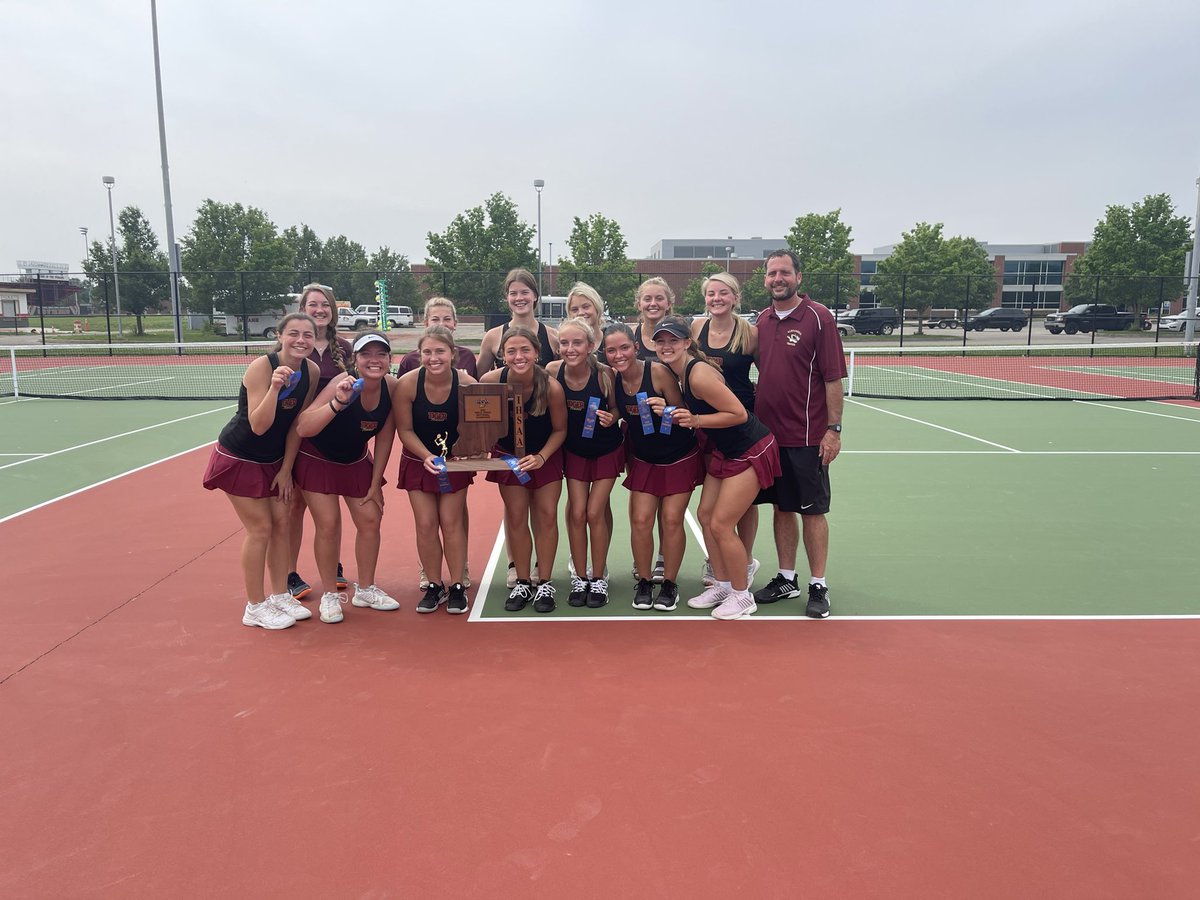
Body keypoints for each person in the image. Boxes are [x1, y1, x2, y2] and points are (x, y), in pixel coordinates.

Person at [651, 316, 780, 621]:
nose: (666, 346)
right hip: (726, 449)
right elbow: (699, 408)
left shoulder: (696, 375)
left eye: (673, 340)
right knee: (706, 516)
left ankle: (742, 595)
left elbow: (736, 413)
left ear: (686, 343)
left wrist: (695, 421)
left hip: (749, 448)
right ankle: (722, 584)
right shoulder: (680, 372)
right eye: (661, 341)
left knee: (721, 524)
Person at [202, 312, 321, 629]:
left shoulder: (311, 371)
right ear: (280, 336)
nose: (300, 340)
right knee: (260, 529)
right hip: (239, 457)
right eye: (293, 333)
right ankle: (254, 606)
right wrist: (274, 387)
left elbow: (296, 426)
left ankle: (281, 595)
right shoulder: (261, 368)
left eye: (307, 335)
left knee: (282, 524)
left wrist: (286, 469)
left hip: (274, 460)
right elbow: (258, 425)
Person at [752, 249, 847, 619]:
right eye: (772, 273)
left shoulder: (818, 318)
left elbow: (833, 379)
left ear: (798, 277)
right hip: (768, 438)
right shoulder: (761, 320)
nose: (778, 278)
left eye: (785, 272)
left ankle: (818, 583)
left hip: (808, 437)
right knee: (781, 507)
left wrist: (833, 430)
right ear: (765, 279)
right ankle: (787, 577)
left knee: (811, 511)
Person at [294, 332, 399, 624]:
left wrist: (376, 483)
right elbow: (304, 427)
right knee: (328, 525)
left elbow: (386, 438)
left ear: (390, 360)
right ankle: (329, 594)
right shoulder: (341, 383)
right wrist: (338, 402)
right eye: (366, 354)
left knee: (370, 519)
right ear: (356, 360)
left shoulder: (392, 387)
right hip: (318, 458)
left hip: (355, 460)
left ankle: (365, 589)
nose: (374, 360)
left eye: (381, 354)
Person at [603, 322, 703, 612]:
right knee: (641, 521)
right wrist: (612, 415)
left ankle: (669, 584)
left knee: (672, 520)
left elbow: (685, 411)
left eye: (624, 347)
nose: (618, 355)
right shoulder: (612, 378)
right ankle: (645, 581)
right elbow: (623, 407)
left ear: (635, 347)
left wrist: (667, 409)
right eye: (611, 350)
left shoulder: (657, 371)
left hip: (678, 456)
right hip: (645, 459)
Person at [481, 327, 567, 614]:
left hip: (544, 457)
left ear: (537, 353)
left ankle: (544, 582)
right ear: (502, 355)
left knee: (545, 517)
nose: (519, 356)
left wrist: (542, 457)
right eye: (511, 351)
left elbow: (560, 430)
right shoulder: (491, 382)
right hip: (509, 458)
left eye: (525, 350)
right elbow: (479, 425)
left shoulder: (551, 387)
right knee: (516, 517)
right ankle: (521, 580)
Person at [394, 326, 478, 614]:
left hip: (454, 465)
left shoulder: (466, 382)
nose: (433, 357)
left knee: (451, 522)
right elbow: (404, 430)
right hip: (419, 462)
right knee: (426, 524)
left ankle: (456, 586)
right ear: (420, 355)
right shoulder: (407, 384)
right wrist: (427, 455)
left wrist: (471, 450)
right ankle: (433, 585)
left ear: (453, 354)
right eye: (427, 352)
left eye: (440, 351)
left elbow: (478, 425)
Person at [547, 317, 623, 608]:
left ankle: (599, 577)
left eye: (577, 342)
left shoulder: (605, 374)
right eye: (564, 343)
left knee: (594, 512)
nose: (570, 348)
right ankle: (580, 578)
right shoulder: (553, 371)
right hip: (574, 452)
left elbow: (617, 407)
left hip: (605, 450)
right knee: (577, 514)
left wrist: (613, 417)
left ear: (591, 345)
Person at [690, 272, 760, 587]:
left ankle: (744, 561)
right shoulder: (696, 328)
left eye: (723, 293)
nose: (716, 299)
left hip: (739, 426)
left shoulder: (750, 333)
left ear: (735, 297)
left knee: (743, 503)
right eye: (711, 294)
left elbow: (768, 375)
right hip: (707, 427)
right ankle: (717, 561)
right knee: (712, 500)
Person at [286, 283, 353, 602]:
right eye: (312, 304)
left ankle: (332, 564)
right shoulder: (297, 346)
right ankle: (289, 573)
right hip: (296, 439)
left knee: (331, 510)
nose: (319, 310)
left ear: (333, 310)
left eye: (325, 304)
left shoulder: (345, 348)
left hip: (335, 442)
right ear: (303, 309)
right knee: (293, 506)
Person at [477, 268, 560, 372]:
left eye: (525, 292)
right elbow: (478, 380)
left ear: (535, 296)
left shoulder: (553, 337)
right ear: (507, 297)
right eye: (513, 293)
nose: (519, 298)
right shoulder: (493, 337)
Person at [396, 297, 478, 378]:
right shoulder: (410, 360)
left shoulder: (467, 356)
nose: (441, 324)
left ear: (455, 324)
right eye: (435, 319)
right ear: (426, 323)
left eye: (447, 319)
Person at [633, 276, 675, 362]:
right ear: (639, 305)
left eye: (659, 299)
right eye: (647, 299)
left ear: (669, 304)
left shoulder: (679, 336)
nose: (653, 303)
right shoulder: (631, 335)